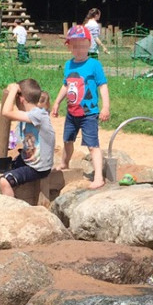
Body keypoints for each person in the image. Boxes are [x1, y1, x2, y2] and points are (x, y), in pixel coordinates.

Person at [53, 25, 110, 190]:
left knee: (92, 145)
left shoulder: (94, 65)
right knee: (67, 140)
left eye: (83, 46)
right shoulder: (68, 65)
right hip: (72, 112)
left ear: (89, 45)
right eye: (75, 46)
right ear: (69, 47)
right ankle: (64, 162)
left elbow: (103, 86)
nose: (79, 50)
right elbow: (66, 85)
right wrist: (57, 102)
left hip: (89, 113)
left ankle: (98, 176)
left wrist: (105, 107)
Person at [0, 79, 54, 198]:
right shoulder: (26, 114)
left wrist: (12, 91)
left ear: (21, 99)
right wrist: (9, 93)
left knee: (4, 181)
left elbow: (6, 112)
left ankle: (11, 210)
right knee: (1, 169)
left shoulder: (38, 115)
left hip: (38, 168)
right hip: (28, 160)